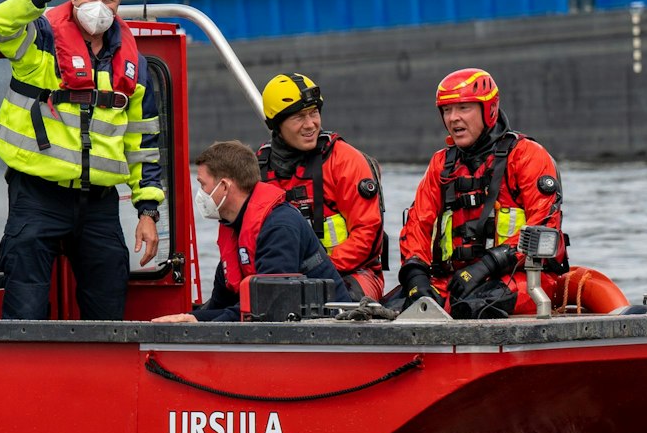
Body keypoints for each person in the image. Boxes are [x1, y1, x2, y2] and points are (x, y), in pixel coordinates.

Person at [0, 0, 164, 320]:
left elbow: (142, 143)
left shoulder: (134, 66)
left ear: (119, 4)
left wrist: (147, 213)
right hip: (37, 197)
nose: (98, 6)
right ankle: (22, 371)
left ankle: (105, 373)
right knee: (25, 308)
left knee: (108, 308)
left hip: (99, 204)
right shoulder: (39, 42)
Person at [394, 68, 564, 319]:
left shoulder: (526, 155)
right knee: (397, 308)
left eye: (463, 108)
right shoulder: (442, 164)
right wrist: (416, 276)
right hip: (454, 280)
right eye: (447, 110)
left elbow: (544, 224)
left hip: (522, 277)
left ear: (489, 109)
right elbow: (418, 225)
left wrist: (489, 263)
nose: (453, 118)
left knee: (473, 308)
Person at [152, 141, 352, 323]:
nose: (200, 194)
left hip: (327, 326)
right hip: (278, 318)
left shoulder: (279, 227)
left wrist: (202, 324)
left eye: (203, 185)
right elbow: (221, 307)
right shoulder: (234, 228)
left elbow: (270, 304)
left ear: (224, 186)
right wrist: (190, 318)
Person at [257, 72, 388, 302]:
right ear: (277, 124)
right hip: (281, 277)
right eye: (299, 117)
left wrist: (315, 272)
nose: (311, 125)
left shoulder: (345, 160)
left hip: (353, 273)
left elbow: (367, 234)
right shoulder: (258, 169)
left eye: (314, 113)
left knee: (339, 304)